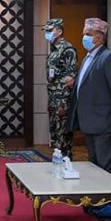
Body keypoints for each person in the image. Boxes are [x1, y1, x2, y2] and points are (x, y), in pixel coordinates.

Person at [67, 18, 111, 176]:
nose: (84, 38)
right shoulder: (88, 58)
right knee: (94, 167)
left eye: (88, 34)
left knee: (106, 167)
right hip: (89, 123)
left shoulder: (109, 57)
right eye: (84, 34)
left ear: (99, 37)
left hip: (104, 123)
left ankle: (109, 193)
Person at [43, 18, 78, 158]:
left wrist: (63, 103)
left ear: (59, 31)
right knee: (55, 134)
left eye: (49, 30)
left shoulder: (67, 49)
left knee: (63, 135)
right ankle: (57, 161)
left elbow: (70, 79)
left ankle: (66, 162)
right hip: (53, 98)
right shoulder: (54, 50)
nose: (47, 34)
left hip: (62, 100)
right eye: (46, 31)